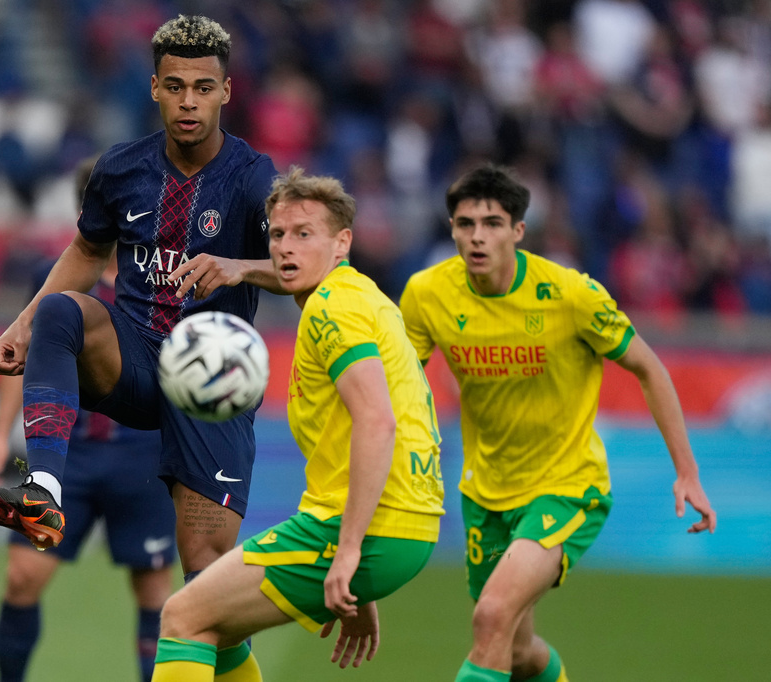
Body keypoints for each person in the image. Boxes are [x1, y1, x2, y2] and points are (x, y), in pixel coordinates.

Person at [0, 15, 280, 677]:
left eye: (202, 86)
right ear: (155, 90)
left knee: (206, 588)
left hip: (207, 394)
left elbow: (304, 268)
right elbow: (84, 251)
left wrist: (243, 268)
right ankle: (44, 486)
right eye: (174, 86)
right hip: (135, 364)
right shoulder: (122, 169)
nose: (188, 100)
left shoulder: (254, 179)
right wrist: (21, 327)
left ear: (226, 91)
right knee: (58, 312)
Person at [398, 164, 718, 682]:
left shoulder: (571, 295)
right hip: (485, 494)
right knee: (516, 650)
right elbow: (399, 381)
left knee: (492, 615)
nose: (478, 236)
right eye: (465, 224)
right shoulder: (426, 293)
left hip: (566, 488)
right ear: (451, 229)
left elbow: (649, 368)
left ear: (518, 231)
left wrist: (687, 471)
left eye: (493, 223)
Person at [151, 167, 446, 681]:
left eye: (304, 234)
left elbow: (377, 422)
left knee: (184, 617)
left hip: (368, 528)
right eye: (279, 234)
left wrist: (351, 550)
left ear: (342, 242)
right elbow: (385, 415)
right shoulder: (364, 296)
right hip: (403, 524)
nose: (286, 247)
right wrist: (242, 269)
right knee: (220, 627)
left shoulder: (332, 309)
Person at [0, 159, 176, 682]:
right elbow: (20, 353)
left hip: (144, 456)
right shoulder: (54, 280)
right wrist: (1, 434)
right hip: (70, 457)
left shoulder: (165, 277)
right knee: (22, 578)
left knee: (157, 595)